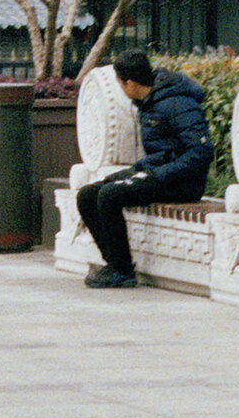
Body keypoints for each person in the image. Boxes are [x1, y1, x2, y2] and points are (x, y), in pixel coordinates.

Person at [75, 48, 212, 287]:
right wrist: (133, 172)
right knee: (88, 194)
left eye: (119, 82)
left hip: (182, 183)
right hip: (158, 174)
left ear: (128, 82)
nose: (119, 87)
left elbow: (201, 153)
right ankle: (113, 263)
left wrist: (159, 174)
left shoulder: (178, 103)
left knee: (109, 196)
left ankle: (123, 271)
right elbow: (159, 153)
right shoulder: (149, 101)